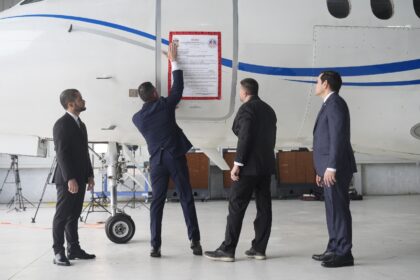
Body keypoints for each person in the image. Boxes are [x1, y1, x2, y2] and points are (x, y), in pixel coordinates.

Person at [132, 43, 202, 258]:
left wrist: (166, 104)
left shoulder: (137, 118)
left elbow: (159, 110)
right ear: (154, 92)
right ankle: (195, 242)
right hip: (175, 156)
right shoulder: (164, 105)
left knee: (157, 203)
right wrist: (174, 61)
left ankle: (155, 246)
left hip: (157, 162)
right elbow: (177, 88)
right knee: (185, 198)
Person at [204, 78, 277, 262]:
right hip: (266, 166)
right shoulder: (269, 110)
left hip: (248, 167)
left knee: (236, 206)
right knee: (264, 208)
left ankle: (228, 250)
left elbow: (243, 136)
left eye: (239, 91)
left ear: (244, 92)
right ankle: (259, 249)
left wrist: (238, 164)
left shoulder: (247, 109)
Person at [312, 71, 357, 268]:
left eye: (317, 82)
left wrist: (331, 167)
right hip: (328, 168)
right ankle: (333, 248)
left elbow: (338, 137)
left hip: (336, 168)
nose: (315, 85)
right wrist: (321, 170)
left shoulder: (335, 103)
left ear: (326, 84)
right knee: (332, 210)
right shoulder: (329, 104)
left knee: (339, 210)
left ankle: (344, 253)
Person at [52, 89, 96, 266]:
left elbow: (84, 152)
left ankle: (74, 249)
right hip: (67, 180)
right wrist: (70, 178)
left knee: (74, 215)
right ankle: (58, 252)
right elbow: (61, 154)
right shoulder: (61, 125)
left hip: (80, 178)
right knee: (61, 216)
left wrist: (90, 174)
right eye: (80, 99)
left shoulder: (81, 125)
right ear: (71, 103)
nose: (83, 101)